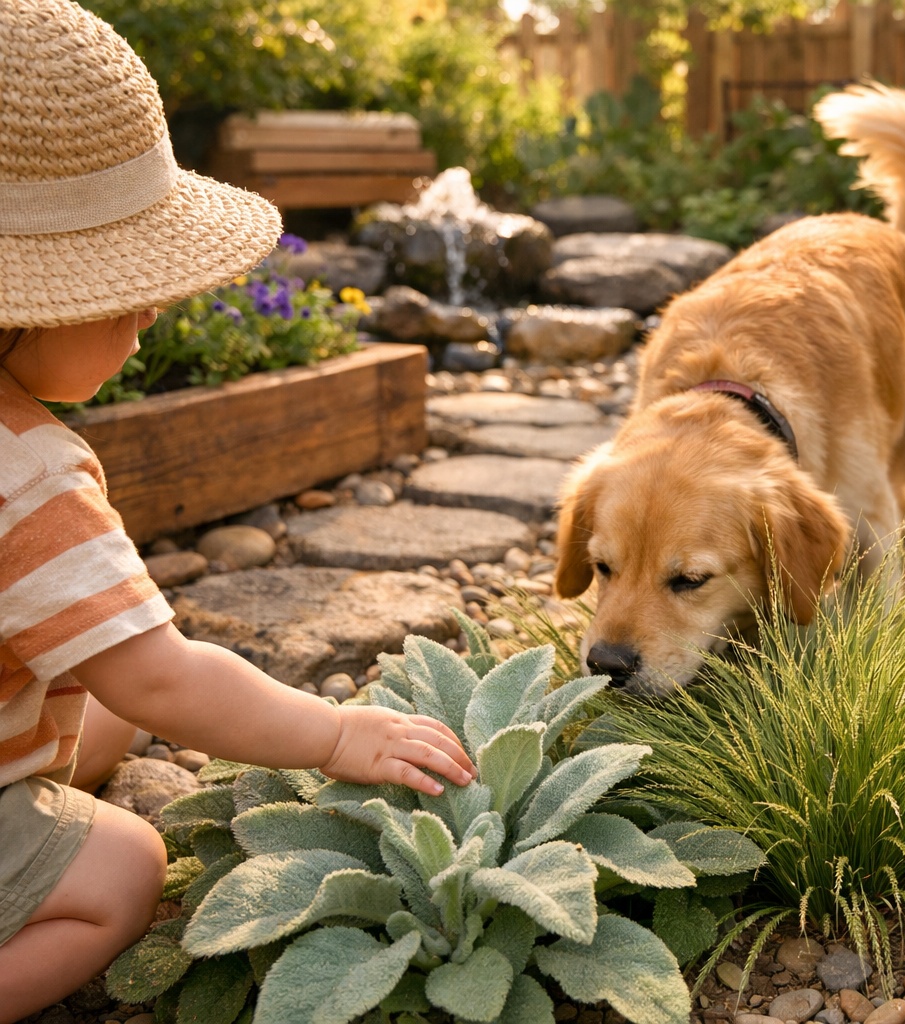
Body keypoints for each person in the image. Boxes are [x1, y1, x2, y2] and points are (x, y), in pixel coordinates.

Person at [0, 2, 476, 1020]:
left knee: (103, 702)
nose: (150, 313)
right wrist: (337, 736)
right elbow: (167, 678)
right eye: (128, 296)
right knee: (127, 863)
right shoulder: (29, 476)